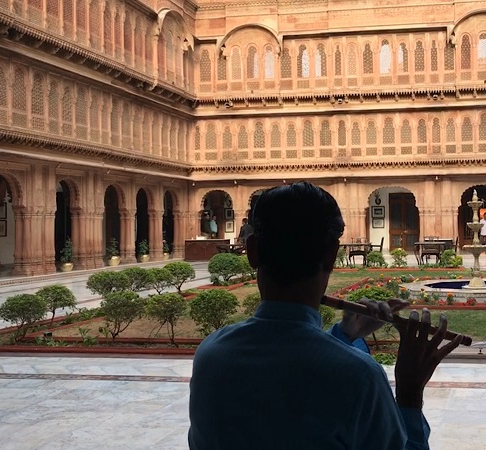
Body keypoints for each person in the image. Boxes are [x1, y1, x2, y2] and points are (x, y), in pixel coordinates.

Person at [189, 182, 462, 449]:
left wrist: (345, 336)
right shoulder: (358, 378)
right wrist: (410, 393)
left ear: (252, 251)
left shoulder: (211, 357)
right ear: (332, 256)